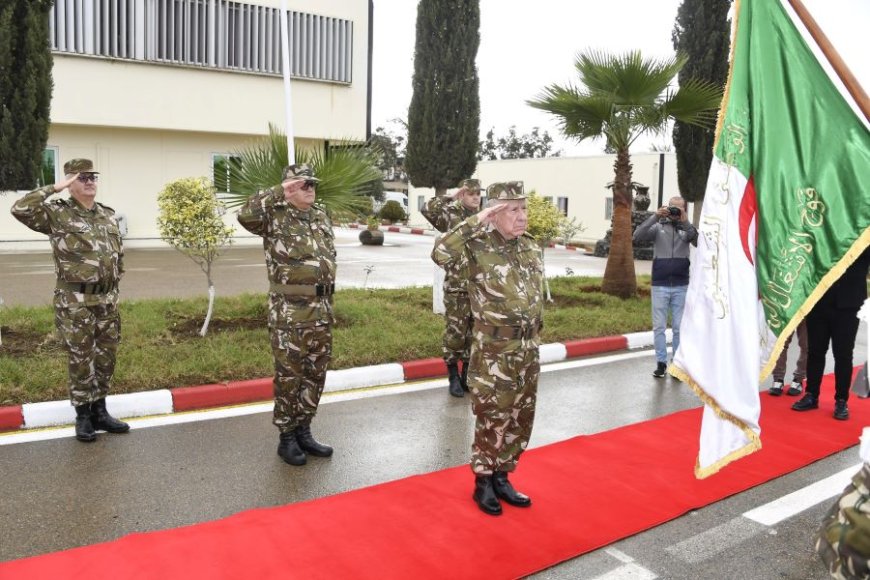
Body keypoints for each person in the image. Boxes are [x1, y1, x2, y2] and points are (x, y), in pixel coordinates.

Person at [432, 181, 544, 516]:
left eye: (524, 208)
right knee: (493, 415)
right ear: (494, 214)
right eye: (513, 210)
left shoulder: (531, 247)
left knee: (520, 416)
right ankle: (483, 480)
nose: (522, 216)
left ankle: (503, 475)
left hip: (527, 346)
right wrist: (475, 220)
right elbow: (440, 253)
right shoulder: (475, 247)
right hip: (494, 349)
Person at [10, 159, 129, 442]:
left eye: (93, 177)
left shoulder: (108, 215)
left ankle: (100, 410)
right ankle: (83, 416)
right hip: (74, 300)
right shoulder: (57, 214)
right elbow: (21, 209)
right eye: (82, 177)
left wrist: (112, 285)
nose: (90, 182)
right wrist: (53, 188)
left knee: (105, 356)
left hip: (106, 299)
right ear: (70, 182)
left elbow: (118, 257)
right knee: (80, 358)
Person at [238, 164, 336, 465]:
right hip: (289, 311)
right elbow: (245, 215)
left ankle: (305, 429)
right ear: (289, 187)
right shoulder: (273, 215)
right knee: (289, 375)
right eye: (302, 184)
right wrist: (280, 191)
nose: (309, 188)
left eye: (312, 184)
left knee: (315, 373)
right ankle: (287, 436)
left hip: (322, 309)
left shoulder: (320, 215)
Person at [792, 247, 870, 420]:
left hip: (849, 303)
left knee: (843, 354)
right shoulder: (825, 226)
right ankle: (811, 395)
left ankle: (841, 400)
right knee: (815, 351)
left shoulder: (863, 232)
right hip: (819, 300)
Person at [421, 178, 482, 397]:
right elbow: (426, 209)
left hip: (479, 288)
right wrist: (451, 196)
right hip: (457, 286)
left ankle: (466, 374)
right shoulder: (451, 216)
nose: (476, 197)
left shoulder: (483, 218)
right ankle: (452, 376)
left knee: (473, 334)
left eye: (478, 193)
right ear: (463, 195)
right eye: (470, 193)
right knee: (455, 334)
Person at [633, 196, 698, 378]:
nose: (675, 211)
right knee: (659, 327)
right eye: (672, 208)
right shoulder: (658, 227)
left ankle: (676, 364)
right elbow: (637, 236)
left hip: (681, 285)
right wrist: (655, 216)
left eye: (679, 208)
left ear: (684, 210)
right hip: (660, 284)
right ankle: (661, 363)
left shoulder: (686, 229)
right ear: (666, 208)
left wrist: (685, 222)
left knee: (678, 327)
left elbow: (697, 240)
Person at [768, 320, 808, 396]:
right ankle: (778, 379)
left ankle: (798, 379)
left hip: (807, 309)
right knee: (780, 343)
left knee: (806, 345)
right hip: (786, 308)